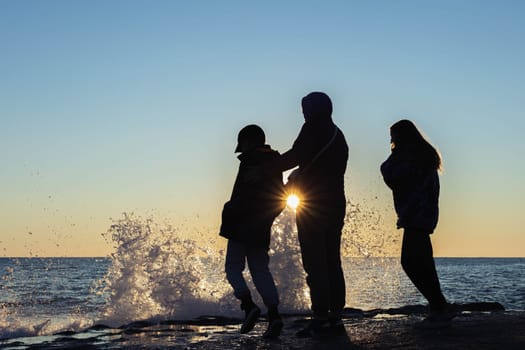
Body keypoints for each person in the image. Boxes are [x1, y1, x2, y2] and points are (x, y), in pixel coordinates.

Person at [270, 92, 349, 337]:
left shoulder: (313, 127)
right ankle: (335, 316)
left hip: (313, 205)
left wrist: (266, 164)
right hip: (335, 203)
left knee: (315, 262)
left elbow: (296, 155)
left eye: (305, 108)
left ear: (313, 110)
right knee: (332, 261)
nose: (303, 113)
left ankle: (320, 317)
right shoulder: (338, 135)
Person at [380, 119, 455, 329]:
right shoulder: (424, 155)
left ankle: (439, 305)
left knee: (411, 263)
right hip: (425, 215)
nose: (391, 141)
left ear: (400, 137)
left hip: (415, 216)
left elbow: (388, 173)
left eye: (393, 136)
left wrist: (394, 153)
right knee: (424, 264)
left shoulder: (407, 156)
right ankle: (439, 306)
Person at [219, 124, 286, 338]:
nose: (242, 149)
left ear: (249, 142)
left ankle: (249, 306)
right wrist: (266, 219)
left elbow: (244, 195)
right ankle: (274, 315)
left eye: (243, 144)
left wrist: (230, 210)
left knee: (233, 267)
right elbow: (281, 198)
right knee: (260, 270)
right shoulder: (275, 162)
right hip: (261, 226)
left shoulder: (250, 161)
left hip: (241, 224)